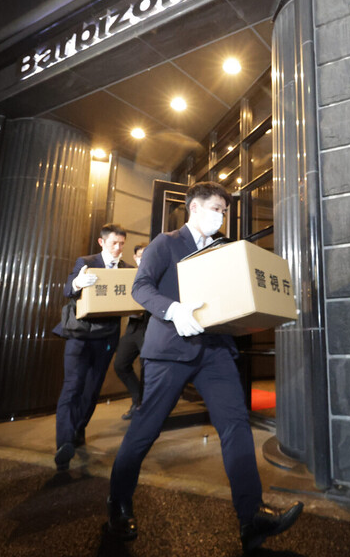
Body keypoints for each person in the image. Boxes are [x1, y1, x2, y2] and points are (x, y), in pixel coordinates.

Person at [107, 182, 303, 553]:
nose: (221, 217)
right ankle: (118, 503)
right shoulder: (166, 244)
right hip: (171, 349)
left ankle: (251, 515)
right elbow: (141, 288)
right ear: (194, 208)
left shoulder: (222, 250)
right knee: (146, 429)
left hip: (214, 350)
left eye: (224, 212)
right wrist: (173, 310)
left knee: (235, 425)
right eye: (216, 209)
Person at [53, 223, 132, 471]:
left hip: (106, 337)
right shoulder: (86, 262)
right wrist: (78, 283)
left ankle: (78, 429)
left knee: (92, 389)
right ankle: (64, 443)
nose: (118, 248)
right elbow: (67, 290)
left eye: (121, 243)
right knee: (72, 385)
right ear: (102, 242)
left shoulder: (127, 269)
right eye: (114, 243)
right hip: (80, 335)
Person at [114, 244, 149, 420]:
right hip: (132, 326)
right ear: (135, 258)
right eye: (140, 255)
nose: (143, 258)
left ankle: (143, 407)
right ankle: (137, 399)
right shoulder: (129, 275)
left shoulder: (154, 274)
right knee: (120, 364)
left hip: (149, 326)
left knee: (147, 368)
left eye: (146, 255)